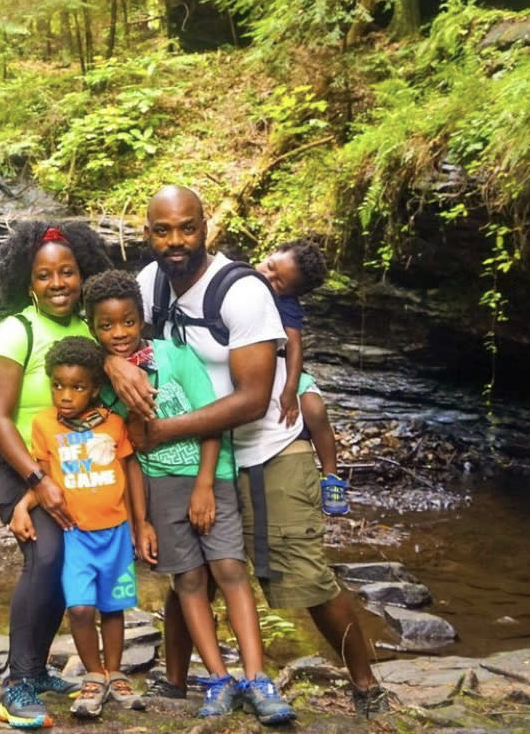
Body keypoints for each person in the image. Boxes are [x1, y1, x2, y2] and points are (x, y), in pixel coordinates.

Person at [106, 186, 388, 720]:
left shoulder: (242, 291)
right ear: (147, 234)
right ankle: (174, 684)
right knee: (191, 572)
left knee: (302, 574)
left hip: (266, 450)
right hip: (195, 459)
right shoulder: (148, 285)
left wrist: (165, 431)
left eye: (187, 228)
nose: (176, 241)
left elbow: (254, 399)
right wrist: (112, 364)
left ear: (206, 226)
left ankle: (366, 685)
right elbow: (109, 330)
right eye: (162, 230)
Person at [82, 269, 295, 725]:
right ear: (92, 328)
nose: (118, 333)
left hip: (209, 475)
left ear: (143, 319)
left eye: (127, 322)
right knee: (189, 581)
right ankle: (219, 679)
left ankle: (257, 678)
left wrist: (204, 485)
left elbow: (209, 419)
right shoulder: (106, 385)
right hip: (159, 487)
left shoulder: (175, 355)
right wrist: (142, 521)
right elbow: (131, 459)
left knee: (230, 569)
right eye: (106, 325)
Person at [0, 220, 112, 729]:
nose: (57, 283)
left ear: (83, 274)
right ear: (27, 281)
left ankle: (35, 670)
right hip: (25, 469)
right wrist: (38, 481)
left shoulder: (88, 329)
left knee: (69, 564)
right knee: (47, 556)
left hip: (79, 469)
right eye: (44, 275)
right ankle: (16, 681)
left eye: (67, 272)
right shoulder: (17, 330)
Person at [9, 336, 148, 719]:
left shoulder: (115, 424)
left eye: (77, 387)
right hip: (77, 536)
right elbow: (45, 480)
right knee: (82, 608)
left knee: (114, 607)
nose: (65, 395)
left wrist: (141, 523)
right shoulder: (43, 425)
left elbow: (130, 470)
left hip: (116, 532)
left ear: (95, 389)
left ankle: (115, 674)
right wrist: (23, 505)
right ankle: (93, 674)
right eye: (57, 385)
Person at [255, 238, 350, 516]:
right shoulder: (238, 277)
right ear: (271, 253)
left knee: (314, 408)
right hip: (250, 365)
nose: (267, 276)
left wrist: (290, 388)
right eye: (270, 266)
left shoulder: (286, 304)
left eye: (279, 282)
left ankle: (331, 477)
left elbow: (294, 346)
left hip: (282, 365)